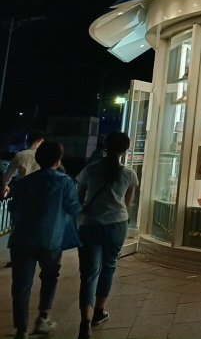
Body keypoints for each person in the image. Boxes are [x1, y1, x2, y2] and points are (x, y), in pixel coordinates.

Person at [7, 140, 83, 339]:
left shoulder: (25, 183)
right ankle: (43, 317)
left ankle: (21, 329)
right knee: (49, 277)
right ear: (58, 159)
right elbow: (74, 207)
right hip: (51, 239)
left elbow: (13, 208)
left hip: (22, 239)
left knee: (21, 284)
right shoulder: (65, 182)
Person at [75, 131, 138, 339]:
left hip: (90, 225)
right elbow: (126, 204)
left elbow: (80, 198)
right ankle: (99, 311)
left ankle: (85, 321)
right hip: (116, 225)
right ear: (125, 150)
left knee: (88, 272)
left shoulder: (90, 169)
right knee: (108, 267)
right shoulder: (129, 174)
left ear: (105, 146)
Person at [2, 129, 45, 198]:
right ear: (41, 141)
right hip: (39, 192)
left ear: (27, 140)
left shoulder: (20, 155)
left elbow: (9, 174)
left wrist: (5, 185)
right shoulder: (44, 156)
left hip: (22, 190)